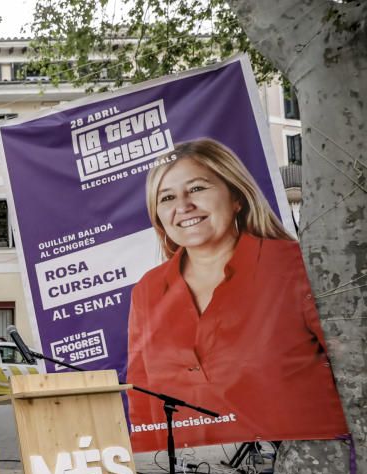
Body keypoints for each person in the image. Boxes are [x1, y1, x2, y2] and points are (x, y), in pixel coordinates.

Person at [127, 138, 348, 449]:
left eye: (197, 188)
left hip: (305, 465)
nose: (183, 206)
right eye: (166, 197)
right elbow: (142, 394)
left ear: (236, 197)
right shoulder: (147, 290)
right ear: (157, 215)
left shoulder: (295, 266)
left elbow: (350, 369)